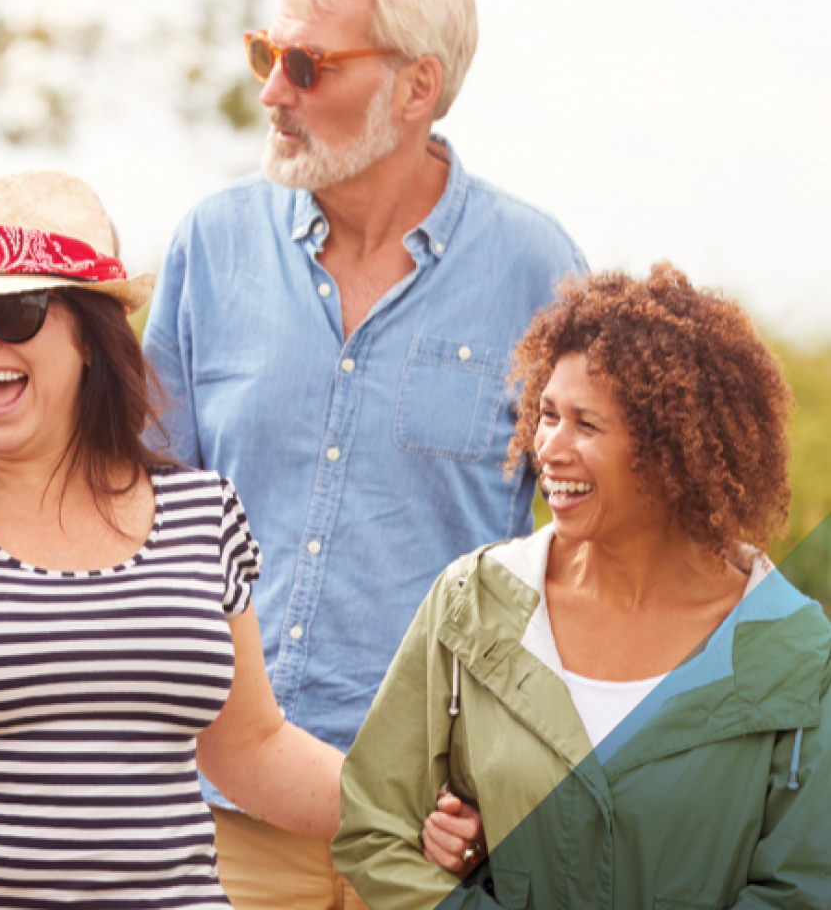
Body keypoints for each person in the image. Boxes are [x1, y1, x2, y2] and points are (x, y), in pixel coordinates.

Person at [141, 0, 587, 909]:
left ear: (414, 87)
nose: (271, 92)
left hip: (435, 832)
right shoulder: (209, 247)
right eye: (267, 53)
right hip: (217, 818)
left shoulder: (537, 272)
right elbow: (137, 520)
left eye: (305, 65)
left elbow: (587, 554)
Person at [0, 170, 343, 908]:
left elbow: (252, 749)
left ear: (90, 335)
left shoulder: (203, 513)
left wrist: (415, 812)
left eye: (15, 309)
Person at [335, 263, 831, 909]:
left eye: (585, 425)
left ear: (673, 453)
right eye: (545, 415)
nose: (549, 447)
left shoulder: (797, 654)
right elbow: (374, 827)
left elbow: (804, 884)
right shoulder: (471, 603)